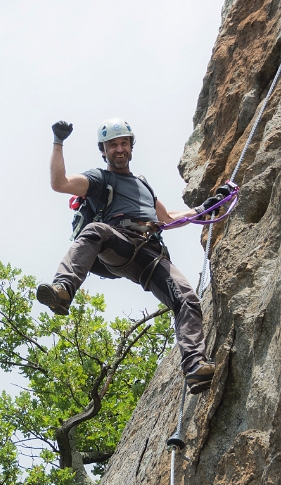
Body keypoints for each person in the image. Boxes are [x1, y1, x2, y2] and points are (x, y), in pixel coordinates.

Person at [36, 118, 219, 393]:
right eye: (112, 145)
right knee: (96, 230)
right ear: (104, 150)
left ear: (131, 146)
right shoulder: (100, 179)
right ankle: (63, 289)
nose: (119, 149)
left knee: (186, 297)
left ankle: (194, 367)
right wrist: (58, 141)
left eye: (123, 143)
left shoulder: (143, 185)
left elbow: (169, 218)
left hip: (151, 255)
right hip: (117, 244)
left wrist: (207, 207)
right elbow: (60, 183)